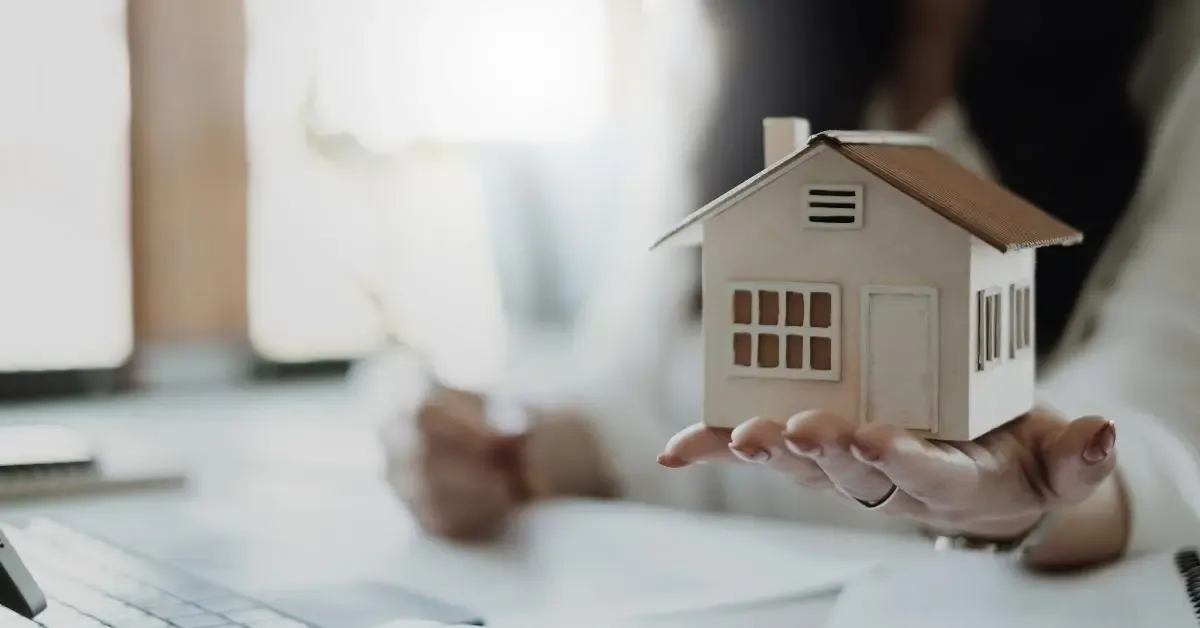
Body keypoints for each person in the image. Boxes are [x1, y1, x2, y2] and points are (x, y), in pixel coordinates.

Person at [368, 0, 1200, 570]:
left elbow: (1165, 420)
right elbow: (642, 375)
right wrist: (506, 446)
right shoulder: (732, 27)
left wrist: (1028, 499)